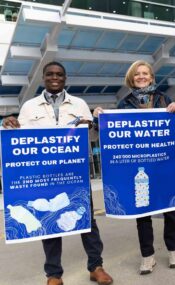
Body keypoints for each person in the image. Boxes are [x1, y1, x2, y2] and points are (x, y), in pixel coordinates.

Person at [2, 61, 113, 285]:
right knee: (49, 223)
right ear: (43, 78)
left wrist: (92, 126)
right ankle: (54, 274)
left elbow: (92, 139)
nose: (55, 77)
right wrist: (8, 124)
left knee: (87, 220)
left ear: (65, 78)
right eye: (50, 74)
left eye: (59, 74)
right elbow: (21, 138)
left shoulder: (80, 104)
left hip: (75, 175)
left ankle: (96, 266)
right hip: (45, 176)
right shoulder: (29, 107)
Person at [93, 60, 175, 275]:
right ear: (131, 79)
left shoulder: (164, 99)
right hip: (138, 166)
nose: (141, 77)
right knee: (142, 211)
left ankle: (174, 250)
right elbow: (112, 130)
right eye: (137, 74)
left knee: (169, 209)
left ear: (152, 77)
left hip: (163, 164)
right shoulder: (125, 104)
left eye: (145, 73)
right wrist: (99, 119)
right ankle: (147, 255)